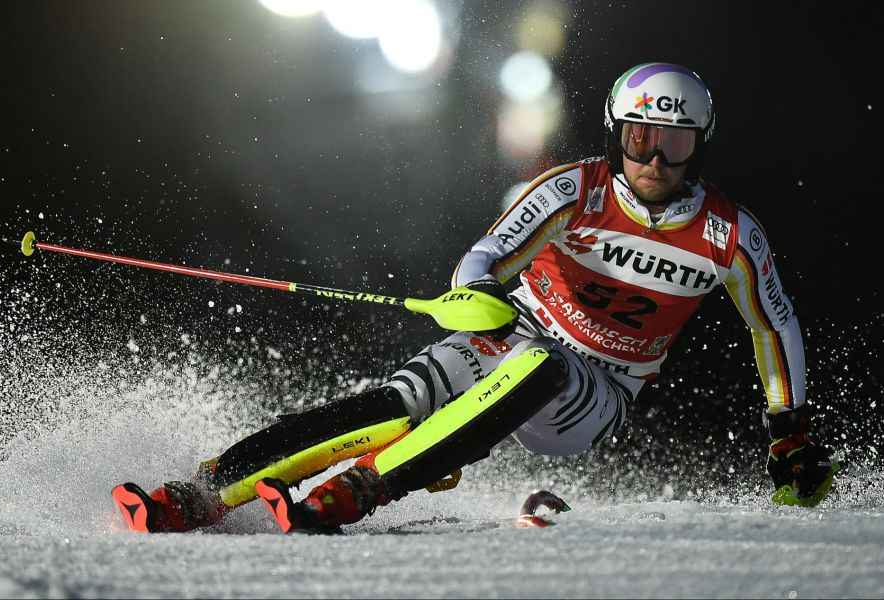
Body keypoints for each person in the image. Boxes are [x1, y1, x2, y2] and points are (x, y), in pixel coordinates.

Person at [112, 62, 839, 534]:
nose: (653, 159)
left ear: (699, 148)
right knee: (392, 406)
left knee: (540, 368)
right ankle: (202, 491)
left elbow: (773, 327)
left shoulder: (728, 235)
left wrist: (789, 429)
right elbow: (486, 255)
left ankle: (360, 492)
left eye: (674, 144)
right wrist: (479, 293)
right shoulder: (573, 189)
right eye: (641, 137)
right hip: (512, 332)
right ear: (616, 135)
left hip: (595, 387)